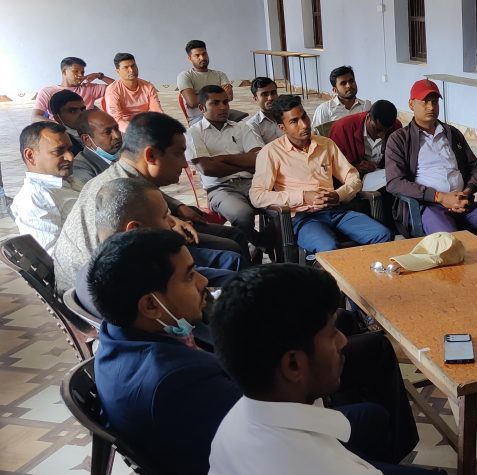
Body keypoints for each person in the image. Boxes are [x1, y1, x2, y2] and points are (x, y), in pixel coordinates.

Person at [87, 231, 419, 475]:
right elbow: (269, 409)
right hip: (262, 440)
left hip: (242, 419)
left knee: (341, 321)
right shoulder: (176, 380)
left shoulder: (117, 334)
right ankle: (385, 454)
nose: (202, 281)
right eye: (189, 276)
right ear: (150, 305)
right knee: (373, 411)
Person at [208, 264, 438, 475]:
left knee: (373, 415)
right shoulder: (322, 466)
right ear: (293, 365)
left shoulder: (235, 421)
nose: (343, 341)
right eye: (332, 333)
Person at [54, 112, 249, 291]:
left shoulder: (125, 177)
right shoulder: (124, 194)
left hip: (102, 280)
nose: (184, 163)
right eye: (178, 153)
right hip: (107, 290)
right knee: (232, 266)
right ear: (151, 156)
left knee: (230, 249)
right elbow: (135, 268)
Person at [385, 79, 477, 250]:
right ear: (411, 104)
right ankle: (466, 264)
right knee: (450, 245)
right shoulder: (400, 139)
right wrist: (440, 197)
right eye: (425, 101)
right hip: (430, 206)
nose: (431, 107)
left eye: (435, 102)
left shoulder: (451, 133)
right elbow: (394, 182)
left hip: (463, 201)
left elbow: (476, 167)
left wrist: (467, 192)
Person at [250, 95, 392, 254]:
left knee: (383, 235)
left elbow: (353, 178)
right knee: (329, 248)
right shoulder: (271, 152)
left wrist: (338, 195)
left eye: (304, 116)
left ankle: (367, 269)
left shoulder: (326, 144)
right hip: (303, 218)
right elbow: (257, 196)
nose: (304, 125)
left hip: (336, 211)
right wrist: (303, 197)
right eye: (294, 121)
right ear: (282, 127)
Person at [82, 178, 240, 298]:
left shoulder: (97, 269)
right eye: (165, 217)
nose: (173, 223)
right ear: (135, 230)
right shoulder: (141, 282)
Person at [187, 85, 264, 247]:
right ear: (201, 108)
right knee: (242, 214)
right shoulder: (194, 133)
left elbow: (259, 159)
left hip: (252, 183)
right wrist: (245, 164)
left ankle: (269, 245)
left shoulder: (242, 127)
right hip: (220, 189)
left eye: (225, 102)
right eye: (215, 103)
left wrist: (222, 159)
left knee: (282, 209)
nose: (223, 107)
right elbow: (208, 169)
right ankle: (260, 244)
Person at [10, 122, 81, 253]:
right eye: (58, 151)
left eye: (69, 150)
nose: (70, 157)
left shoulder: (68, 181)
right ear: (31, 156)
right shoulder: (34, 199)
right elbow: (54, 257)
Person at [328, 100, 402, 178]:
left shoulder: (396, 128)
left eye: (386, 131)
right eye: (377, 129)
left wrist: (376, 167)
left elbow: (397, 161)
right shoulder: (342, 128)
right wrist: (355, 168)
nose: (381, 135)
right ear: (368, 117)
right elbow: (332, 164)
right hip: (349, 179)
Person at [31, 57, 112, 122]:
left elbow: (117, 87)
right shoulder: (47, 91)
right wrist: (58, 127)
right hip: (60, 131)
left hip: (85, 130)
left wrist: (99, 76)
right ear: (64, 72)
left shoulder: (89, 88)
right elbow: (35, 117)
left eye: (82, 72)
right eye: (75, 71)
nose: (80, 75)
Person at [177, 40, 238, 123]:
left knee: (242, 128)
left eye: (204, 54)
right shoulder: (185, 76)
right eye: (197, 55)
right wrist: (220, 94)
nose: (202, 58)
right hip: (199, 118)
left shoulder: (220, 74)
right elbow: (192, 102)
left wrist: (199, 95)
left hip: (223, 114)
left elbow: (229, 97)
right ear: (190, 58)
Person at [104, 52, 163, 132]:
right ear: (118, 71)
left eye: (133, 66)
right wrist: (137, 130)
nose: (131, 70)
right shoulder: (113, 90)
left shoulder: (148, 87)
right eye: (126, 67)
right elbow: (116, 120)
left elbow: (157, 112)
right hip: (124, 129)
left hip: (145, 124)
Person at [71, 109, 123, 183]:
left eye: (117, 128)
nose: (117, 136)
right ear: (87, 140)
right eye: (107, 132)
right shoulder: (80, 168)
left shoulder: (126, 151)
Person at [245, 77, 284, 144]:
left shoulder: (288, 115)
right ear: (255, 99)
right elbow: (260, 149)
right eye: (264, 94)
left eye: (273, 93)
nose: (270, 98)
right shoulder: (252, 125)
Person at [48, 90, 87, 156]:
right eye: (72, 111)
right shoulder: (57, 144)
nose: (81, 114)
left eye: (82, 109)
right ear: (57, 118)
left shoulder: (98, 129)